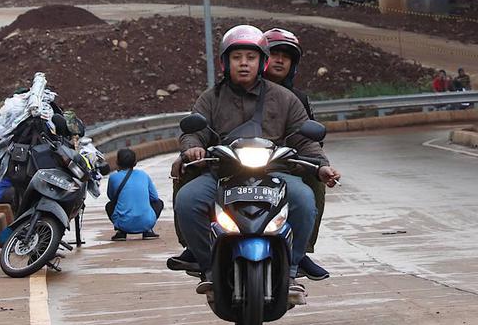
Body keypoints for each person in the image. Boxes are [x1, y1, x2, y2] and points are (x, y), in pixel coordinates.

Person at [170, 25, 341, 302]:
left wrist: (322, 166)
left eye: (251, 57)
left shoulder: (285, 99)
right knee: (187, 201)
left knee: (304, 200)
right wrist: (193, 149)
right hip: (222, 174)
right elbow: (192, 131)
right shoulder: (210, 98)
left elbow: (304, 139)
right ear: (226, 62)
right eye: (237, 57)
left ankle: (292, 270)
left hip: (274, 174)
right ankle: (209, 266)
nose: (244, 63)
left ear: (262, 61)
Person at [262, 27, 330, 282]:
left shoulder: (298, 98)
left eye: (285, 56)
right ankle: (199, 245)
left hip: (284, 165)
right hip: (236, 163)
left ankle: (300, 251)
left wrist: (319, 164)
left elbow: (310, 139)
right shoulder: (233, 89)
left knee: (314, 184)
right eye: (274, 53)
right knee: (192, 171)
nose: (279, 59)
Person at [107, 148, 162, 241]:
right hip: (146, 222)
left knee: (109, 206)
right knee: (159, 203)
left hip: (123, 223)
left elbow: (111, 197)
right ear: (135, 163)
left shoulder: (113, 177)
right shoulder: (143, 175)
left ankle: (121, 232)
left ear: (117, 162)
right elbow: (155, 197)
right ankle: (148, 230)